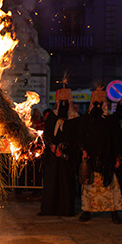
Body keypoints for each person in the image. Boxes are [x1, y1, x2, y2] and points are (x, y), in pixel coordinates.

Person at [77, 88, 122, 224]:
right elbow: (80, 136)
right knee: (88, 185)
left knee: (110, 186)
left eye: (100, 103)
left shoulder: (111, 119)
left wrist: (117, 157)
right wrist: (83, 150)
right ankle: (87, 210)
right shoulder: (86, 119)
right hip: (90, 158)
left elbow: (117, 139)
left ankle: (114, 212)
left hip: (107, 158)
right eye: (95, 103)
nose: (98, 105)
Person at [39, 88, 80, 216]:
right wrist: (52, 146)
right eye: (60, 101)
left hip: (66, 156)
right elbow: (47, 133)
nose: (63, 104)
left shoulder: (75, 119)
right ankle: (49, 209)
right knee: (51, 182)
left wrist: (63, 148)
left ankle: (66, 210)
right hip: (52, 156)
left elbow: (76, 137)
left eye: (65, 101)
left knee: (65, 183)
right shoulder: (52, 116)